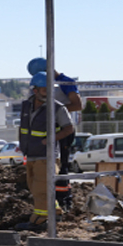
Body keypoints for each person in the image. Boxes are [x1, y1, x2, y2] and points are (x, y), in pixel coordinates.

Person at [17, 72, 75, 232]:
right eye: (44, 89)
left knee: (41, 191)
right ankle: (55, 212)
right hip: (30, 155)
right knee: (36, 188)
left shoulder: (57, 108)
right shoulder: (26, 106)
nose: (48, 92)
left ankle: (40, 221)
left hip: (46, 156)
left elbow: (69, 128)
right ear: (35, 90)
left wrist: (51, 139)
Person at [28, 58, 82, 210]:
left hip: (63, 130)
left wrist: (54, 111)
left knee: (61, 166)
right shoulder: (46, 85)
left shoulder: (65, 83)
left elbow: (77, 105)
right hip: (50, 129)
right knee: (48, 166)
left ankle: (64, 201)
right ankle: (52, 200)